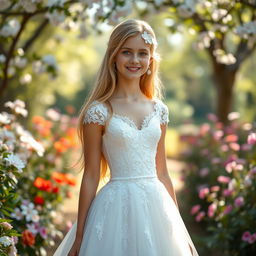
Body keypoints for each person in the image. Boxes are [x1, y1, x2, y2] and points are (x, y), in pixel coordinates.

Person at [53, 19, 199, 256]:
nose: (135, 60)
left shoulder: (159, 110)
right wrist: (79, 236)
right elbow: (90, 175)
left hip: (157, 207)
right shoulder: (99, 111)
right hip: (115, 208)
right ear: (114, 56)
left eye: (142, 53)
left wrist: (181, 230)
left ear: (151, 59)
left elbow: (162, 172)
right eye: (127, 52)